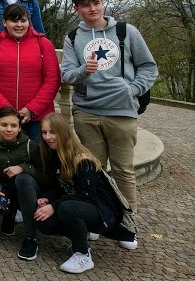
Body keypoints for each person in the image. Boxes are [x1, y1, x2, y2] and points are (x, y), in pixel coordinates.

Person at [61, 0, 157, 213]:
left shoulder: (126, 31)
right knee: (94, 169)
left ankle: (127, 222)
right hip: (87, 112)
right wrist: (85, 70)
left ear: (103, 3)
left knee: (123, 170)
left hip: (122, 111)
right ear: (77, 9)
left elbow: (148, 67)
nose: (93, 9)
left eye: (97, 3)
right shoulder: (73, 38)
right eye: (86, 5)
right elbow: (66, 74)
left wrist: (132, 90)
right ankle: (98, 217)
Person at [34, 113, 139, 274]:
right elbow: (59, 187)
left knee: (68, 208)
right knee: (43, 221)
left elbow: (85, 196)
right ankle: (80, 241)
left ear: (63, 132)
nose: (48, 137)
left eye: (52, 132)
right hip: (80, 206)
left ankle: (82, 255)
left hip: (104, 212)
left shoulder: (82, 160)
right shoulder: (54, 154)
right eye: (44, 132)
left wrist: (54, 206)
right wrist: (47, 199)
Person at [0, 3, 61, 142]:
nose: (19, 25)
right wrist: (6, 110)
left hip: (37, 117)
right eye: (14, 21)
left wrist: (32, 109)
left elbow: (52, 79)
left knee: (38, 159)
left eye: (23, 20)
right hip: (4, 117)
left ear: (29, 21)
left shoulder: (44, 44)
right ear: (4, 22)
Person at [0, 106, 48, 261]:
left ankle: (30, 238)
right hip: (4, 189)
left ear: (20, 127)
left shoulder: (31, 146)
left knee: (22, 179)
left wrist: (22, 168)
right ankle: (8, 215)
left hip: (27, 190)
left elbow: (43, 175)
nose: (9, 129)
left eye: (13, 126)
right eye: (4, 125)